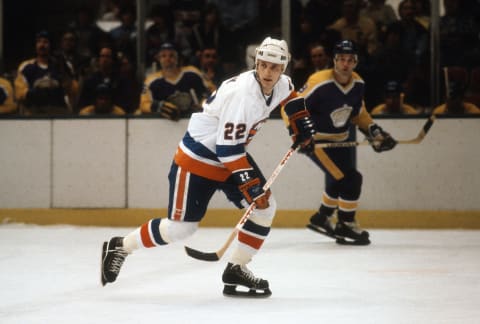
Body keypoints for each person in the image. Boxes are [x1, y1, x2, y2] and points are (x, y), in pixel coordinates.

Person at [100, 36, 315, 297]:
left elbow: (290, 98)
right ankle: (120, 246)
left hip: (231, 156)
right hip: (198, 160)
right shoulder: (242, 96)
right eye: (264, 65)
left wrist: (299, 122)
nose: (269, 72)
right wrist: (250, 185)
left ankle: (236, 267)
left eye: (275, 67)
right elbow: (226, 149)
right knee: (181, 229)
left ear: (283, 69)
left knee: (264, 207)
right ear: (256, 63)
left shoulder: (281, 83)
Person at [289, 40, 396, 246]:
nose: (345, 64)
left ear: (355, 62)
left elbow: (358, 114)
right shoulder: (319, 81)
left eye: (350, 60)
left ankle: (322, 217)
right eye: (341, 59)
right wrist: (299, 134)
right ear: (334, 61)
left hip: (340, 141)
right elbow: (293, 107)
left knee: (338, 180)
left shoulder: (358, 84)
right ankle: (346, 223)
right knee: (351, 179)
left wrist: (374, 132)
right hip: (317, 142)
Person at [138, 42, 214, 119]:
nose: (168, 59)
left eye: (172, 55)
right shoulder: (150, 81)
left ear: (178, 57)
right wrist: (157, 107)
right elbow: (143, 105)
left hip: (194, 122)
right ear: (158, 58)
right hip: (163, 125)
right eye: (164, 56)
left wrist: (203, 104)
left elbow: (212, 92)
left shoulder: (193, 73)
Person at [14, 30, 73, 116]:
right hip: (34, 112)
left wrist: (64, 71)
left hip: (58, 112)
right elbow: (19, 93)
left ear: (51, 45)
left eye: (45, 42)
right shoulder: (26, 67)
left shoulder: (60, 65)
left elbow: (73, 91)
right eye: (39, 42)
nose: (42, 45)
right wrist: (36, 93)